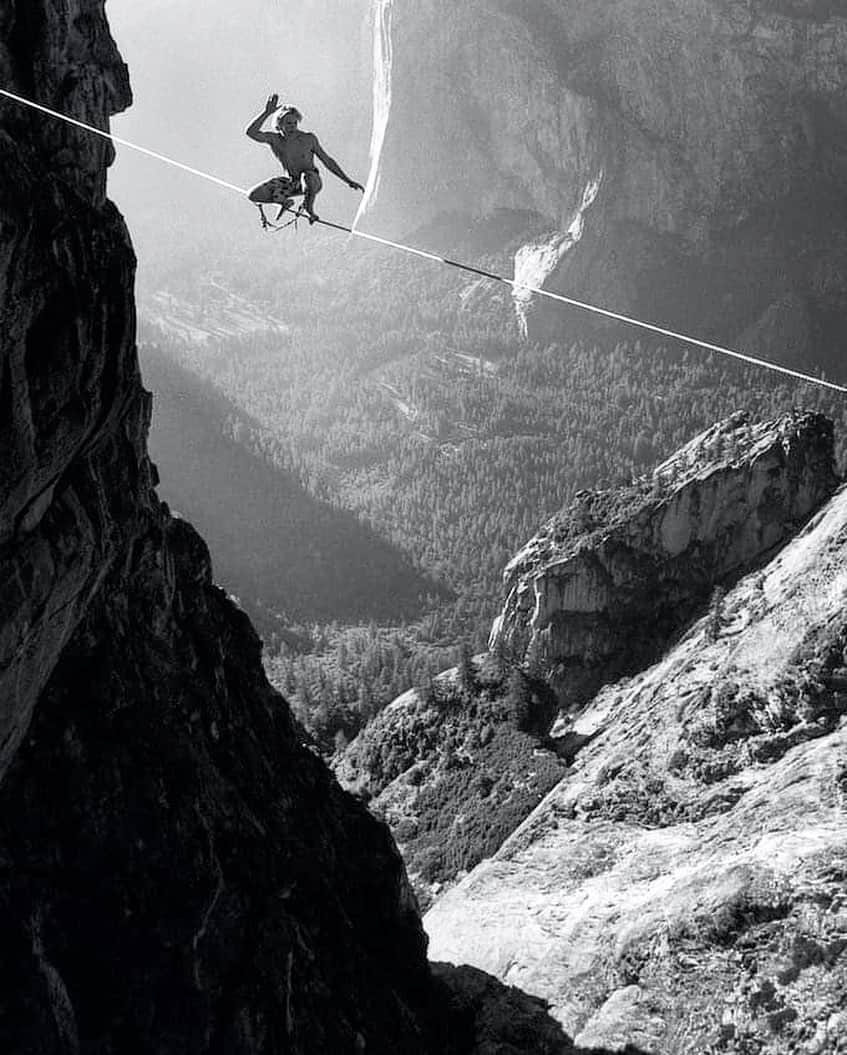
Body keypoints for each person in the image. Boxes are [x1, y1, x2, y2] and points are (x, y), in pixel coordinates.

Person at [246, 93, 364, 226]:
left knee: (306, 176)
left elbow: (327, 161)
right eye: (288, 123)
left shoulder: (308, 139)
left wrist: (348, 180)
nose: (292, 126)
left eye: (295, 123)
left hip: (312, 181)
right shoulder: (275, 139)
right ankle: (283, 201)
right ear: (279, 125)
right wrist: (266, 113)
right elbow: (251, 133)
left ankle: (309, 209)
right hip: (291, 183)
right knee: (253, 195)